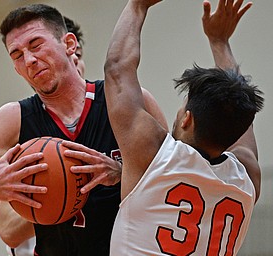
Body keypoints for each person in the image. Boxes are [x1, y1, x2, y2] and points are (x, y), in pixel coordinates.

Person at [0, 3, 167, 256]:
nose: (29, 60)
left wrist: (124, 173)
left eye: (36, 45)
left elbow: (177, 182)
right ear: (15, 68)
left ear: (69, 44)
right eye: (17, 55)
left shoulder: (129, 101)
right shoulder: (11, 120)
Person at [103, 0, 264, 255]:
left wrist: (138, 6)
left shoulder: (154, 156)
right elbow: (240, 114)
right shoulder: (247, 177)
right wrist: (219, 42)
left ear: (187, 119)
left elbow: (117, 69)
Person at [0, 16, 87, 256]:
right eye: (23, 53)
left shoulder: (108, 114)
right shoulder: (20, 130)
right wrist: (68, 190)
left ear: (71, 48)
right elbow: (8, 229)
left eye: (75, 59)